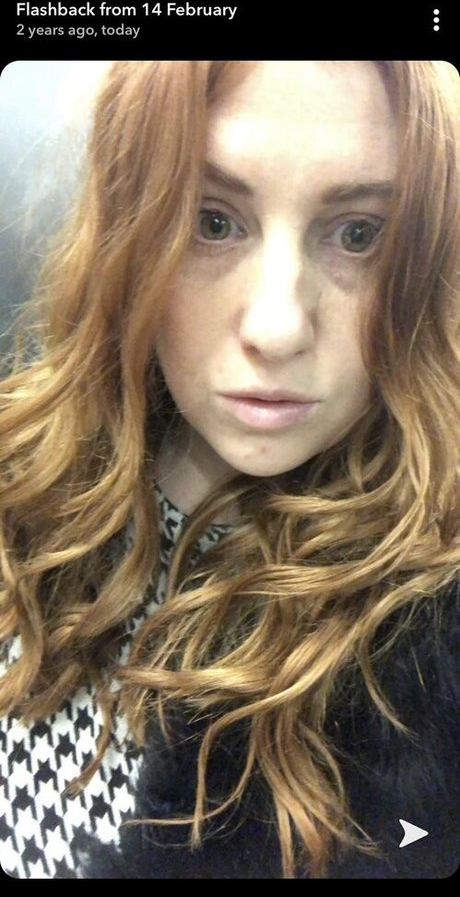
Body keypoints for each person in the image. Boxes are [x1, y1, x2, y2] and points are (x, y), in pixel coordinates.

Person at [0, 60, 459, 880]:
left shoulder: (431, 617)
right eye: (212, 221)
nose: (278, 328)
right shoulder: (16, 485)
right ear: (128, 236)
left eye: (358, 234)